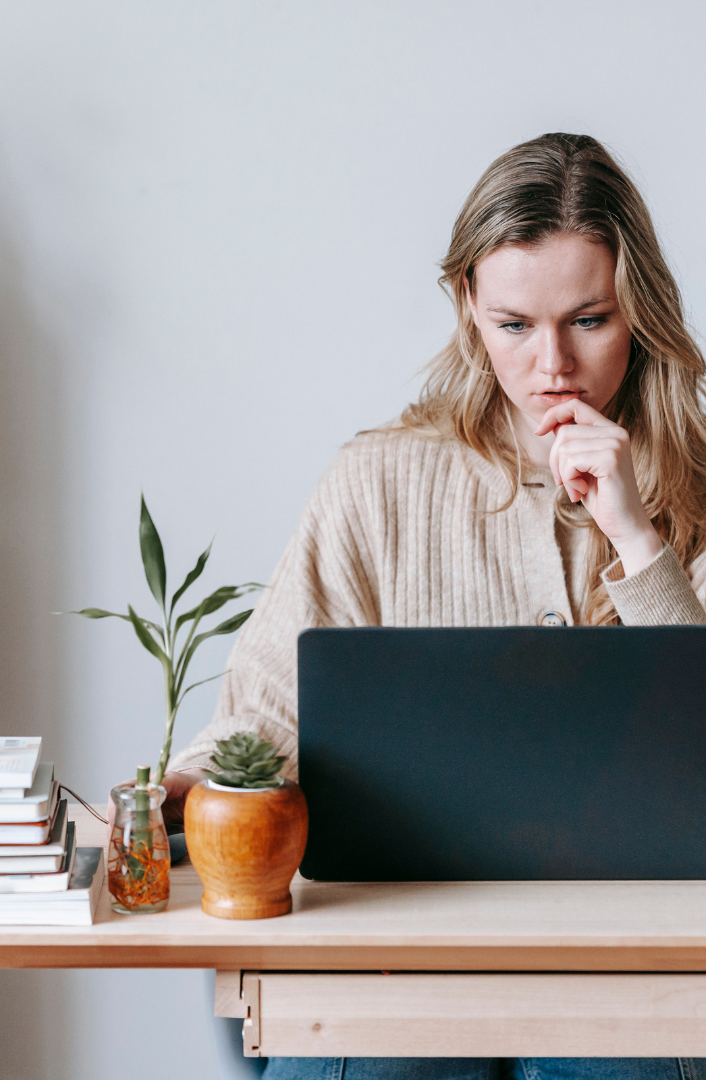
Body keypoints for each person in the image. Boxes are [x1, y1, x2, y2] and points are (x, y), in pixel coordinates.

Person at [164, 133, 706, 1080]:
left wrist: (638, 540)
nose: (553, 368)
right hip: (393, 958)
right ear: (465, 305)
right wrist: (167, 805)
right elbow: (258, 722)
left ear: (642, 311)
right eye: (513, 326)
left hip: (643, 967)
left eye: (588, 320)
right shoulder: (378, 480)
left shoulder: (697, 483)